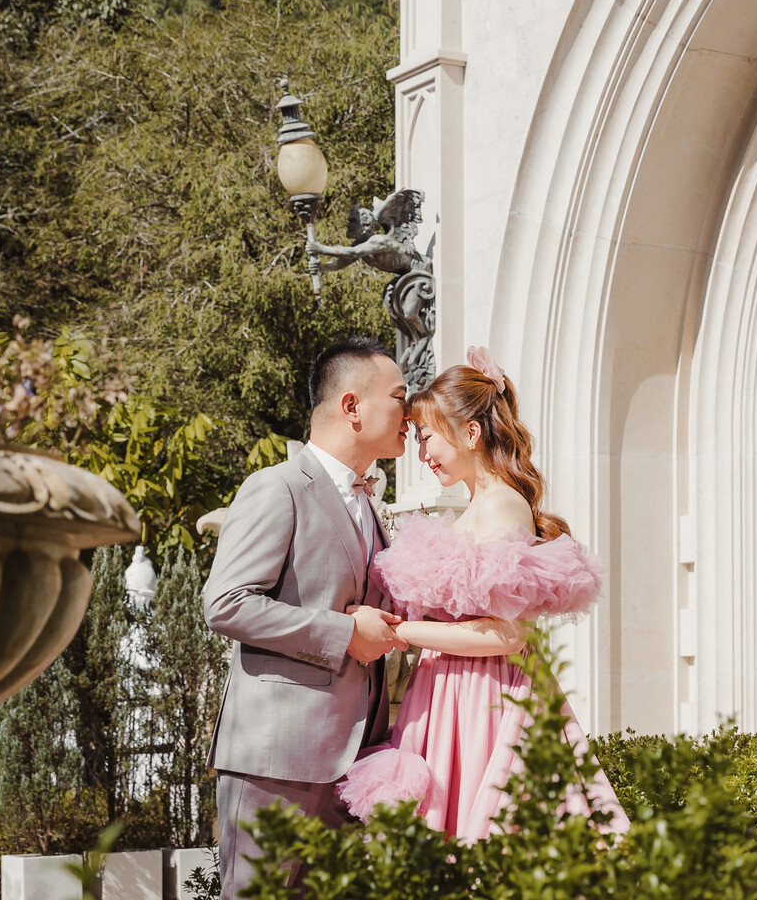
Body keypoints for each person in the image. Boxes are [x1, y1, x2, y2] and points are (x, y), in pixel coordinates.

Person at [335, 347, 627, 840]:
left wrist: (401, 631)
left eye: (428, 438)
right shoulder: (480, 505)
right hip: (451, 689)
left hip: (482, 694)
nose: (423, 454)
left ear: (470, 433)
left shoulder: (500, 506)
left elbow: (508, 636)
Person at [201, 337, 409, 900]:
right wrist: (345, 633)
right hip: (277, 759)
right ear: (352, 406)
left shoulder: (369, 504)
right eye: (399, 397)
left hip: (357, 761)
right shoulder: (277, 487)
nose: (410, 412)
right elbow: (226, 602)